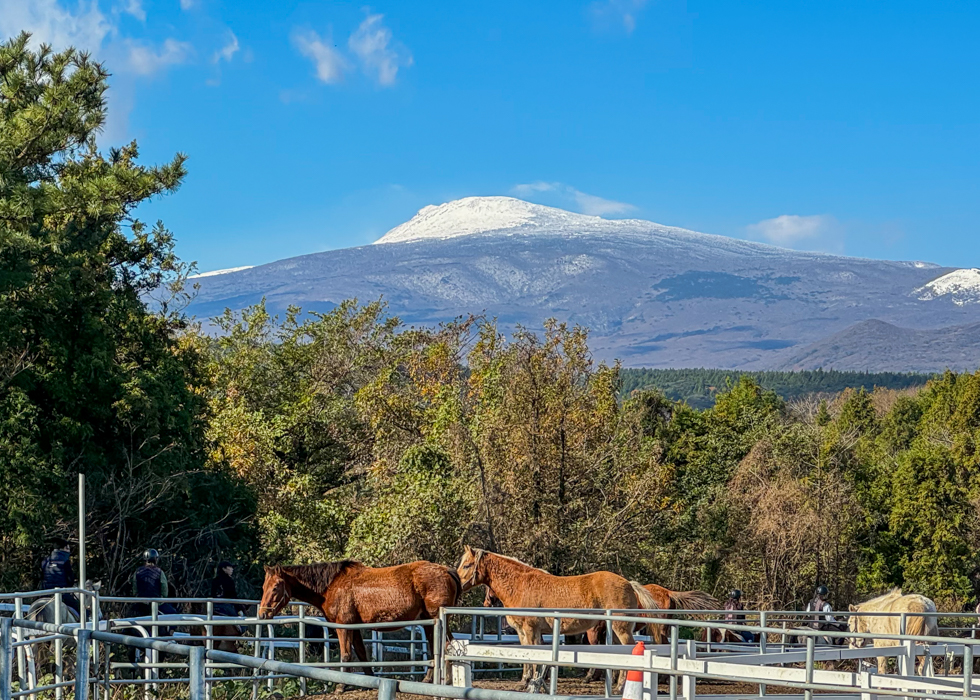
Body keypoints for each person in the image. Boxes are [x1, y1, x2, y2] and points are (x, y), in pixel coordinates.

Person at [131, 549, 179, 633]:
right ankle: (171, 632)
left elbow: (135, 589)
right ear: (156, 559)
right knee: (173, 613)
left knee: (128, 618)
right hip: (157, 602)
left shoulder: (137, 572)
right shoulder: (160, 572)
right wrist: (163, 598)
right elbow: (164, 590)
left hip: (140, 602)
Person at [40, 537, 79, 616]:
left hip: (45, 593)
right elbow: (70, 579)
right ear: (64, 548)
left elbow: (42, 576)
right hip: (62, 593)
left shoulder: (46, 560)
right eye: (68, 548)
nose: (69, 551)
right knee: (79, 609)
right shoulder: (65, 561)